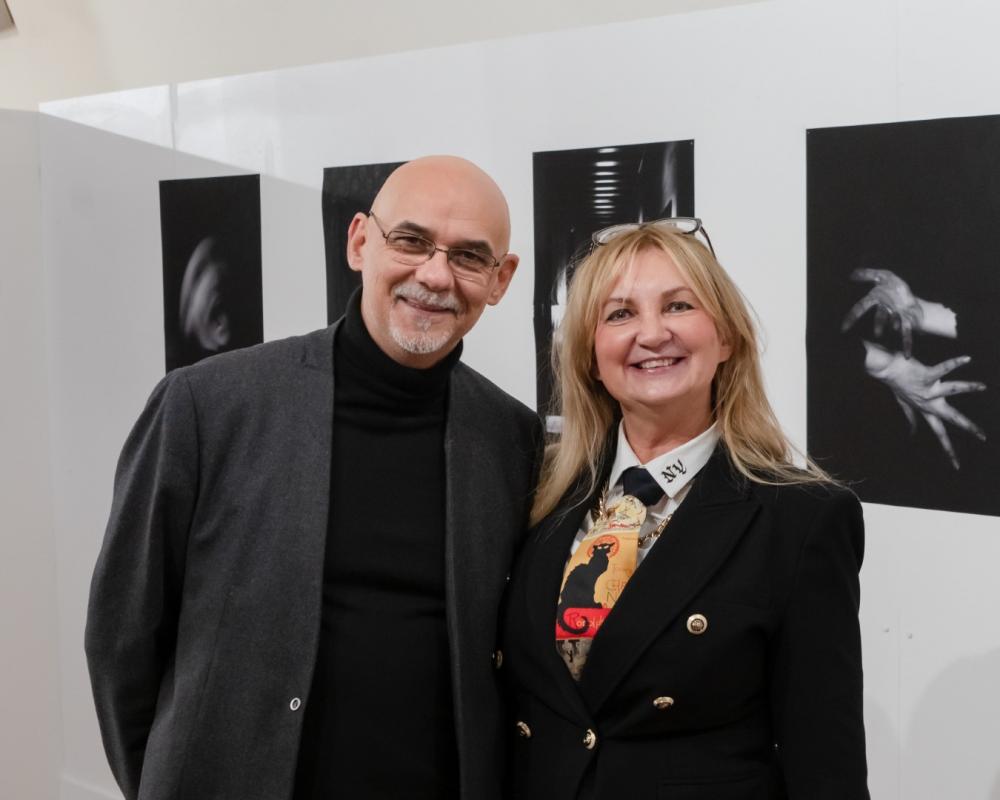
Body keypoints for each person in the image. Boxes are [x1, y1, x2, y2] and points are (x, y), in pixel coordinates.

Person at [85, 155, 542, 800]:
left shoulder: (514, 440)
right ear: (359, 242)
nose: (435, 275)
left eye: (469, 256)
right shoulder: (206, 407)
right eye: (410, 241)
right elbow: (122, 638)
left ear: (500, 279)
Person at [501, 219, 869, 799]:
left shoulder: (803, 518)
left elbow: (826, 763)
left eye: (678, 305)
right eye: (620, 314)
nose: (651, 334)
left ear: (726, 339)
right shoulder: (540, 491)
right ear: (591, 357)